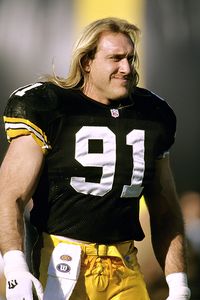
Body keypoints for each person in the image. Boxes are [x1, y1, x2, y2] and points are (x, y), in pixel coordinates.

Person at [0, 17, 191, 300]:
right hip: (60, 265)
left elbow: (165, 209)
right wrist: (15, 269)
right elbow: (10, 194)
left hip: (125, 266)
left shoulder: (152, 114)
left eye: (130, 58)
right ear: (86, 61)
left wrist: (178, 284)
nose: (126, 68)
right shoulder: (47, 106)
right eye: (115, 58)